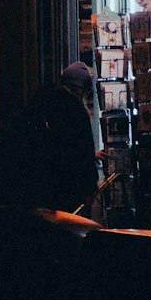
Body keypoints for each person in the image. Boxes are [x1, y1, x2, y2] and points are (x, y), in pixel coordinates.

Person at [19, 61, 99, 214]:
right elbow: (82, 150)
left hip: (39, 182)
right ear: (79, 88)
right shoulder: (75, 110)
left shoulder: (41, 99)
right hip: (69, 184)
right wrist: (90, 186)